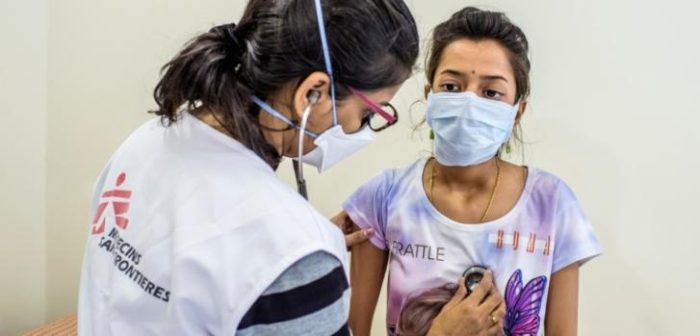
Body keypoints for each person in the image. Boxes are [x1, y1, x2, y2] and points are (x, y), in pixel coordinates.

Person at [78, 0, 419, 334]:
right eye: (368, 114)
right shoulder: (288, 249)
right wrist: (303, 266)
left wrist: (301, 273)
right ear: (313, 93)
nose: (361, 130)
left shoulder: (144, 144)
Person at [341, 7, 603, 336]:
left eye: (491, 92)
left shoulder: (552, 205)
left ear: (516, 112)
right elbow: (352, 330)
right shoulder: (383, 197)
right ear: (429, 97)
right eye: (451, 86)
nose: (468, 102)